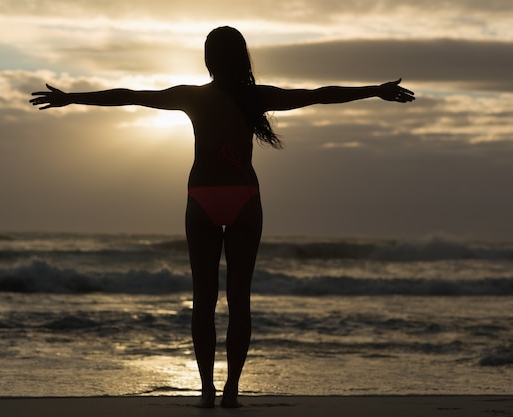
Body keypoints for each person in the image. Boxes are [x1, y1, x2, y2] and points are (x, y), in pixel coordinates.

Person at [30, 26, 415, 408]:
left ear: (208, 59)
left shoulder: (192, 98)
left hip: (202, 198)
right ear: (242, 56)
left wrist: (71, 98)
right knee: (239, 300)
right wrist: (374, 91)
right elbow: (317, 96)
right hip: (244, 197)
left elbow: (130, 96)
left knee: (203, 299)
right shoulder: (256, 98)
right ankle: (231, 390)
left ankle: (207, 391)